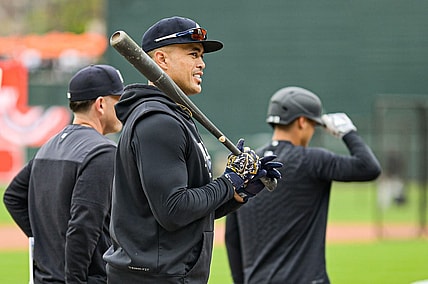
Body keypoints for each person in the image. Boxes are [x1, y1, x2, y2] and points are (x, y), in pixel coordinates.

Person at [103, 16, 282, 283]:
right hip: (155, 277)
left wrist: (238, 192)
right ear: (161, 60)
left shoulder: (174, 117)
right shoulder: (158, 122)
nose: (202, 63)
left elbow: (192, 214)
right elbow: (174, 210)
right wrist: (229, 181)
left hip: (166, 273)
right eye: (193, 54)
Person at [225, 86, 382, 284]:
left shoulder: (248, 165)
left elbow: (232, 239)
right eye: (313, 126)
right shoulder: (313, 160)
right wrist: (348, 133)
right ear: (301, 122)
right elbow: (369, 168)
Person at [3, 64, 125, 283]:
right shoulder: (102, 151)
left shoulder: (48, 146)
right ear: (100, 104)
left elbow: (13, 196)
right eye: (118, 100)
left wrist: (48, 242)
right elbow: (83, 226)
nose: (123, 107)